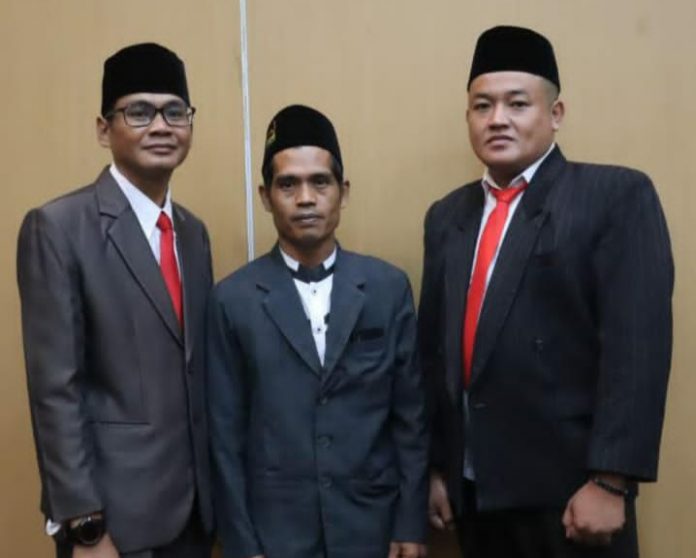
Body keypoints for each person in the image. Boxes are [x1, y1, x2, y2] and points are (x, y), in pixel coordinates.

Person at [419, 26, 673, 558]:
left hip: (572, 496)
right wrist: (437, 467)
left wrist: (611, 481)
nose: (498, 119)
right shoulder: (447, 217)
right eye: (482, 105)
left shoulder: (613, 196)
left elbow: (636, 348)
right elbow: (434, 354)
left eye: (517, 103)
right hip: (475, 496)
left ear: (555, 113)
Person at [17, 43, 213, 558]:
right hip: (112, 525)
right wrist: (83, 526)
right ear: (104, 129)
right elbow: (55, 391)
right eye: (139, 112)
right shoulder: (58, 228)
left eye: (175, 112)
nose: (161, 126)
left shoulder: (193, 233)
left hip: (194, 517)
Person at [207, 104, 428, 558]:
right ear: (266, 196)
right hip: (276, 536)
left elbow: (411, 418)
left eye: (320, 182)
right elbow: (225, 438)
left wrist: (411, 523)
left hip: (371, 529)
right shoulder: (232, 299)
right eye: (288, 184)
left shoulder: (387, 288)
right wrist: (242, 545)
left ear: (342, 192)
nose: (305, 198)